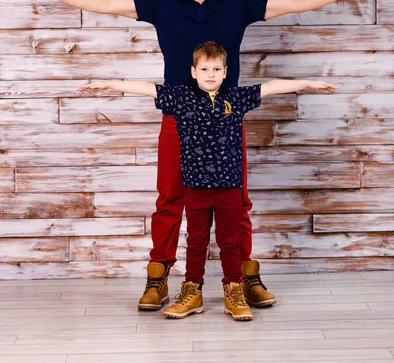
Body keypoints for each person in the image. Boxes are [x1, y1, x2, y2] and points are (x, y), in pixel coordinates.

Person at [11, 0, 389, 310]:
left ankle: (242, 275)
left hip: (225, 118)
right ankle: (158, 276)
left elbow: (294, 2)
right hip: (178, 117)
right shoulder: (162, 5)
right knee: (170, 198)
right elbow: (107, 3)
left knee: (236, 200)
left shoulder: (236, 5)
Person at [79, 41, 338, 321]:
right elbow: (146, 87)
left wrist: (311, 84)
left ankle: (234, 291)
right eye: (204, 69)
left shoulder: (236, 98)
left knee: (230, 241)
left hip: (229, 187)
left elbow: (271, 86)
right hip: (195, 187)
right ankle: (193, 292)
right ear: (193, 72)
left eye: (216, 69)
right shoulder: (180, 97)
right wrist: (107, 83)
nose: (210, 74)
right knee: (196, 241)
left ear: (225, 72)